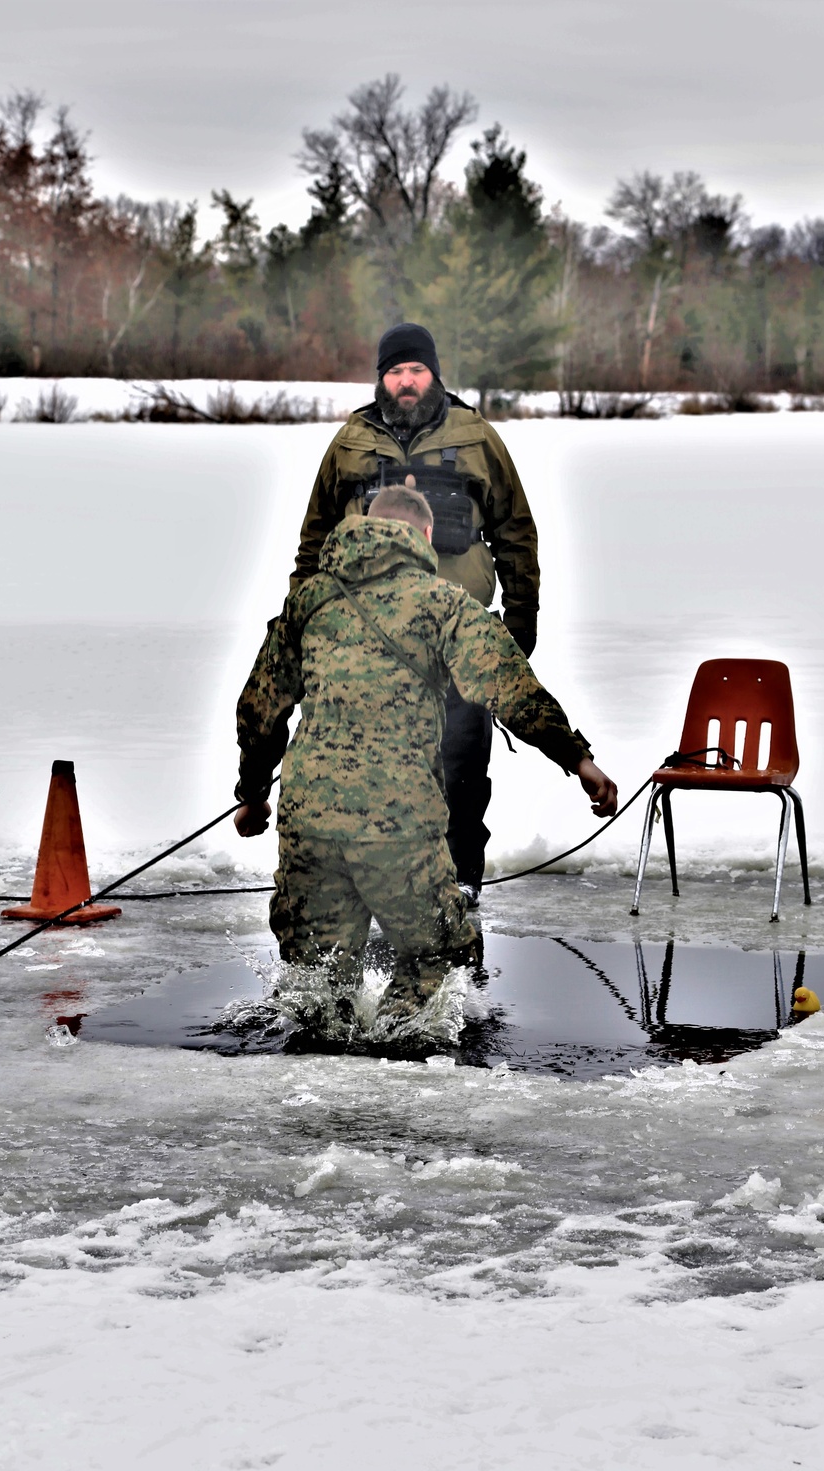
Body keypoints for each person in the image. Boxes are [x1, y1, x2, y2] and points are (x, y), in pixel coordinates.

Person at [235, 484, 617, 1047]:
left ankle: (315, 1111)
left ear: (363, 526)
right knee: (438, 961)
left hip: (308, 819)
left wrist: (253, 790)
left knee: (316, 984)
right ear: (427, 537)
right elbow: (511, 689)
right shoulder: (444, 604)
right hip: (397, 826)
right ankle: (403, 1082)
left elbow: (261, 706)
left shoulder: (309, 600)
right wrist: (578, 759)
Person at [288, 321, 540, 900]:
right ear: (382, 378)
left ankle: (461, 883)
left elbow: (516, 530)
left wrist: (519, 625)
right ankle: (373, 885)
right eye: (395, 371)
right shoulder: (351, 441)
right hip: (364, 642)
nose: (406, 382)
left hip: (455, 636)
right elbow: (315, 536)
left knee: (460, 765)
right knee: (371, 768)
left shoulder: (476, 437)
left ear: (434, 373)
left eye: (415, 370)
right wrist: (305, 616)